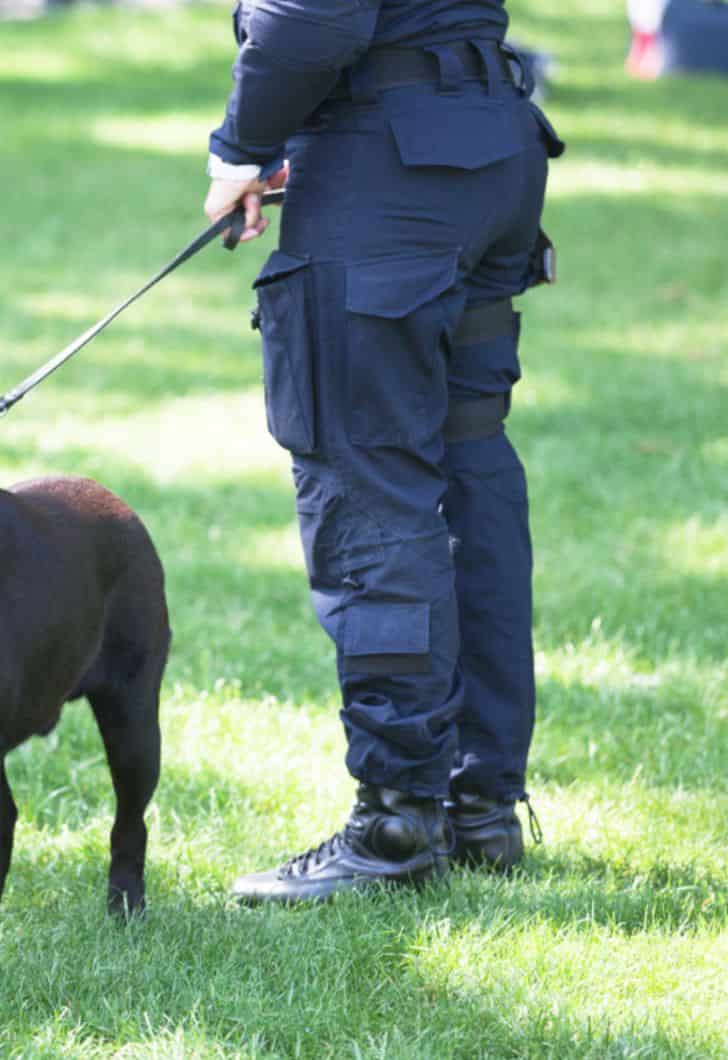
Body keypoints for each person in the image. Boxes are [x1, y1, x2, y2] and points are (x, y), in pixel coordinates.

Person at [203, 0, 563, 902]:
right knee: (470, 464)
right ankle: (480, 807)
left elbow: (314, 16)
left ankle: (399, 822)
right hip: (487, 142)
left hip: (394, 176)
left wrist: (240, 145)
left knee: (367, 479)